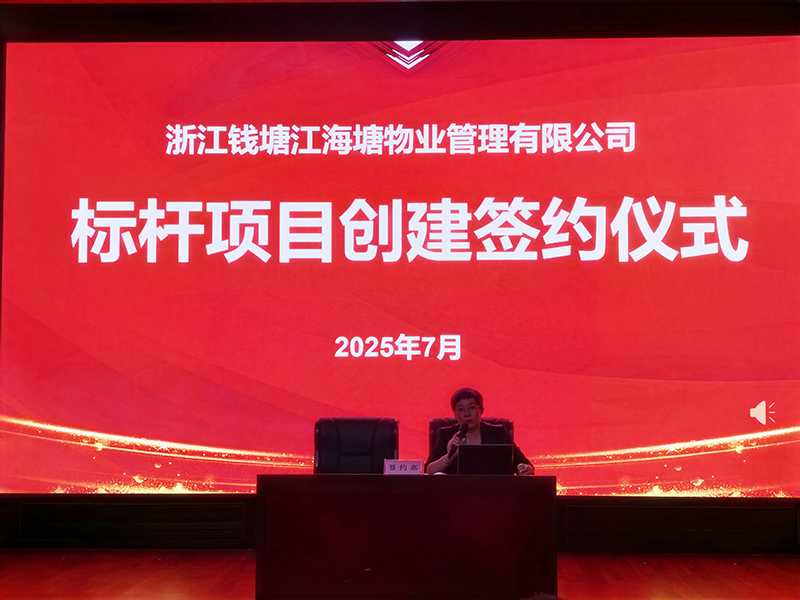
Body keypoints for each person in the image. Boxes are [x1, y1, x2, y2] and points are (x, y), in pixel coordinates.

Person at [425, 387, 533, 475]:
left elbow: (524, 464)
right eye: (461, 409)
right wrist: (449, 457)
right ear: (455, 414)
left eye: (471, 407)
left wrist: (523, 468)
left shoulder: (499, 433)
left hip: (495, 491)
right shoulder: (446, 435)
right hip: (457, 492)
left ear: (480, 410)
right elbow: (428, 471)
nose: (467, 413)